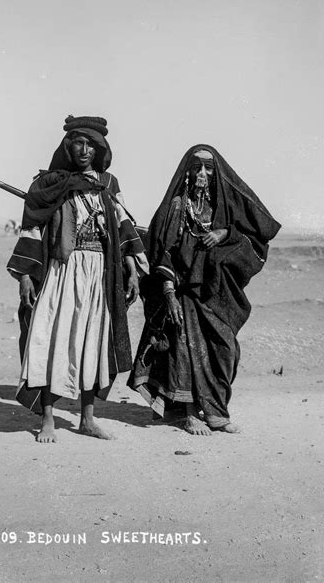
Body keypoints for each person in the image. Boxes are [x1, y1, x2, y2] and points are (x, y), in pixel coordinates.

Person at [7, 115, 147, 442]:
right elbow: (32, 227)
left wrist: (131, 270)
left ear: (100, 149)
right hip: (61, 269)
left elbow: (123, 225)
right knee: (52, 339)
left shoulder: (108, 183)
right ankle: (47, 420)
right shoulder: (49, 184)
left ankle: (87, 419)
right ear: (68, 146)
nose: (84, 150)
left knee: (92, 342)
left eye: (91, 145)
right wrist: (25, 276)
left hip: (100, 271)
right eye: (78, 143)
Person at [128, 145, 280, 435]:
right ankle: (189, 413)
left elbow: (256, 235)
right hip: (184, 290)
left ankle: (215, 411)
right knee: (185, 349)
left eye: (208, 168)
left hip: (216, 291)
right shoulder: (176, 206)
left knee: (225, 349)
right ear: (187, 171)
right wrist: (169, 293)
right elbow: (164, 251)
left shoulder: (225, 205)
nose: (201, 174)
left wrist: (225, 233)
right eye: (196, 167)